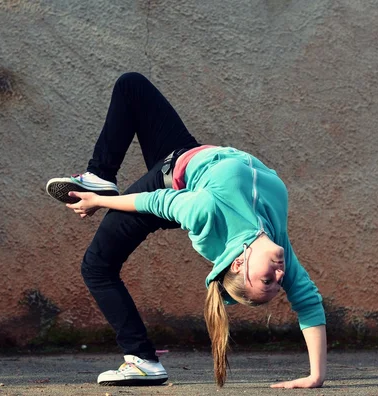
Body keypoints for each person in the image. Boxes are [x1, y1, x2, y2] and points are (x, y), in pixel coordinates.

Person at [45, 72, 327, 388]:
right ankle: (100, 174)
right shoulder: (276, 245)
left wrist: (99, 201)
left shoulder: (205, 212)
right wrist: (316, 376)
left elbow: (156, 201)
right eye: (277, 283)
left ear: (238, 263)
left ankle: (142, 360)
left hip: (168, 184)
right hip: (186, 154)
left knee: (96, 266)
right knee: (132, 86)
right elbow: (308, 301)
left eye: (267, 281)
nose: (279, 276)